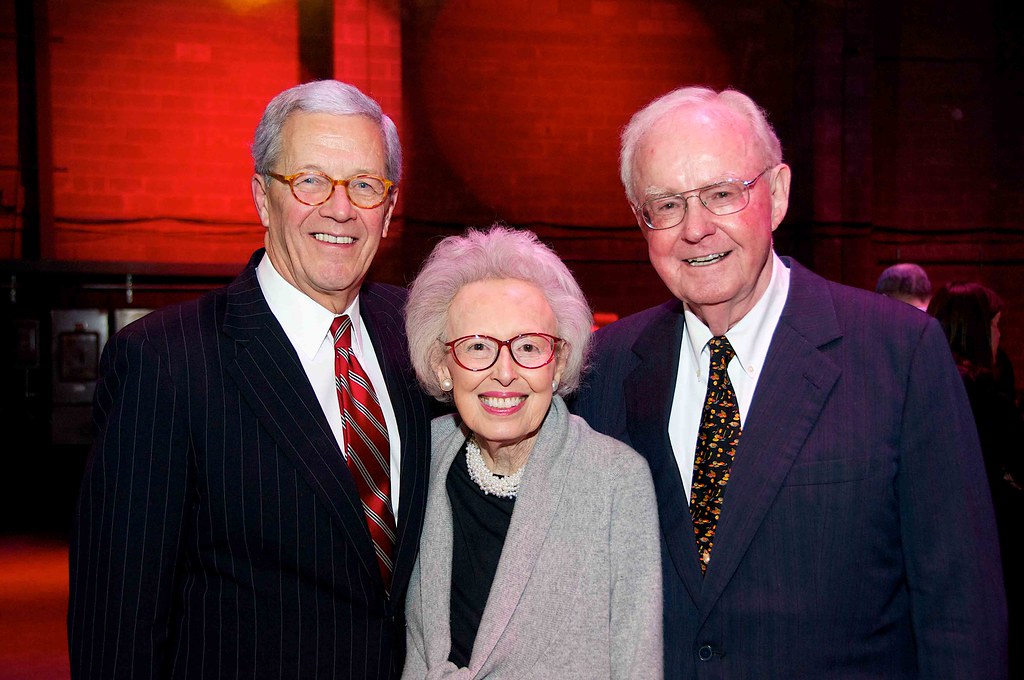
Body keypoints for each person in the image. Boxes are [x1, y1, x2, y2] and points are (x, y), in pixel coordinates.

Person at [571, 85, 1007, 678]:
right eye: (666, 205)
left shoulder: (899, 357)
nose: (695, 229)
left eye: (722, 194)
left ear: (776, 195)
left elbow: (960, 617)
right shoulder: (605, 368)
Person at [68, 80, 435, 679]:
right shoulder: (166, 362)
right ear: (263, 198)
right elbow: (118, 625)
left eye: (365, 185)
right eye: (310, 180)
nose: (340, 208)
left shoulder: (418, 332)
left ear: (389, 210)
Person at [401, 225, 662, 678]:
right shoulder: (421, 456)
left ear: (557, 364)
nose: (505, 372)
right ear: (443, 366)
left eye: (528, 346)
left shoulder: (615, 479)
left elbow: (637, 661)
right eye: (477, 346)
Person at [929, 281, 1023, 673]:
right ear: (977, 330)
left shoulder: (924, 385)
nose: (1000, 335)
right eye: (996, 325)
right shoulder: (985, 397)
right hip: (988, 553)